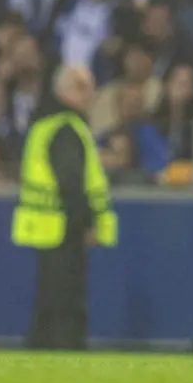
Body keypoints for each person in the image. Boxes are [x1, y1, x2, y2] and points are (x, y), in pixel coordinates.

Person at [12, 64, 118, 350]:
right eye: (81, 86)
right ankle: (65, 361)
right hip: (65, 230)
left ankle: (38, 362)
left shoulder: (47, 125)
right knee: (66, 309)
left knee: (48, 308)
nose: (90, 94)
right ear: (64, 91)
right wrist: (87, 223)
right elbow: (71, 183)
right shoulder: (66, 130)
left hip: (50, 229)